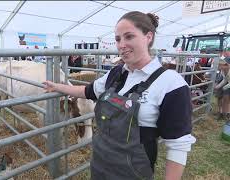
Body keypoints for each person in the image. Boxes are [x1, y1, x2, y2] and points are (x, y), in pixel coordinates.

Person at [43, 11, 196, 180]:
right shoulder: (116, 73)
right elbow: (87, 91)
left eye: (129, 37)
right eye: (117, 39)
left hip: (132, 173)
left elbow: (178, 145)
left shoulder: (171, 84)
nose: (122, 44)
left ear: (148, 37)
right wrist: (57, 86)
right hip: (99, 165)